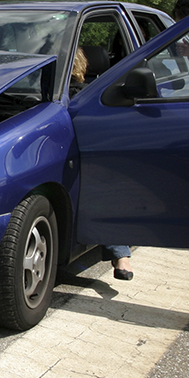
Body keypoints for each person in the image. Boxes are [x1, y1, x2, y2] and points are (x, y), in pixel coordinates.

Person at [70, 46, 134, 280]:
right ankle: (121, 255)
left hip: (86, 161)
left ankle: (120, 253)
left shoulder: (90, 96)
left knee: (104, 188)